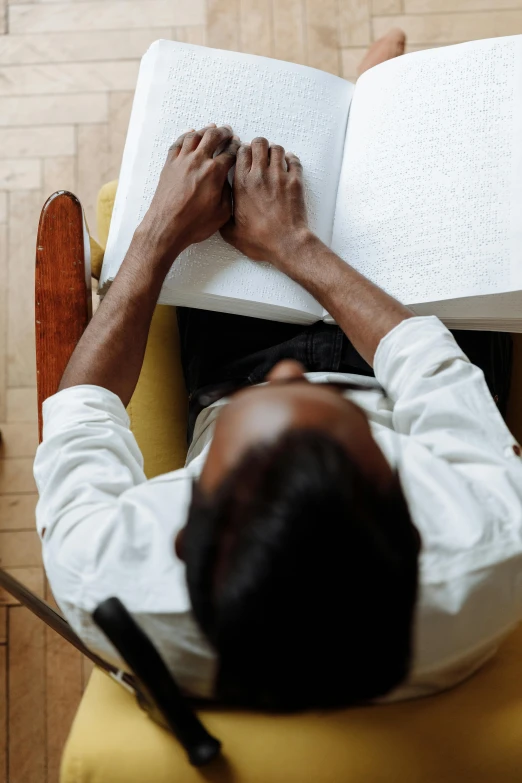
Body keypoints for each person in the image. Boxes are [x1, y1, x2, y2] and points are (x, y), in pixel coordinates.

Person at [34, 30, 522, 710]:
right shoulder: (489, 543)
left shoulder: (107, 572)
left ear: (179, 526)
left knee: (230, 172)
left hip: (236, 366)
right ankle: (378, 111)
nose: (292, 374)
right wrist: (295, 245)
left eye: (275, 395)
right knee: (430, 187)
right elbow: (431, 369)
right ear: (411, 512)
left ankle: (356, 117)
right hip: (397, 381)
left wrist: (159, 234)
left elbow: (84, 409)